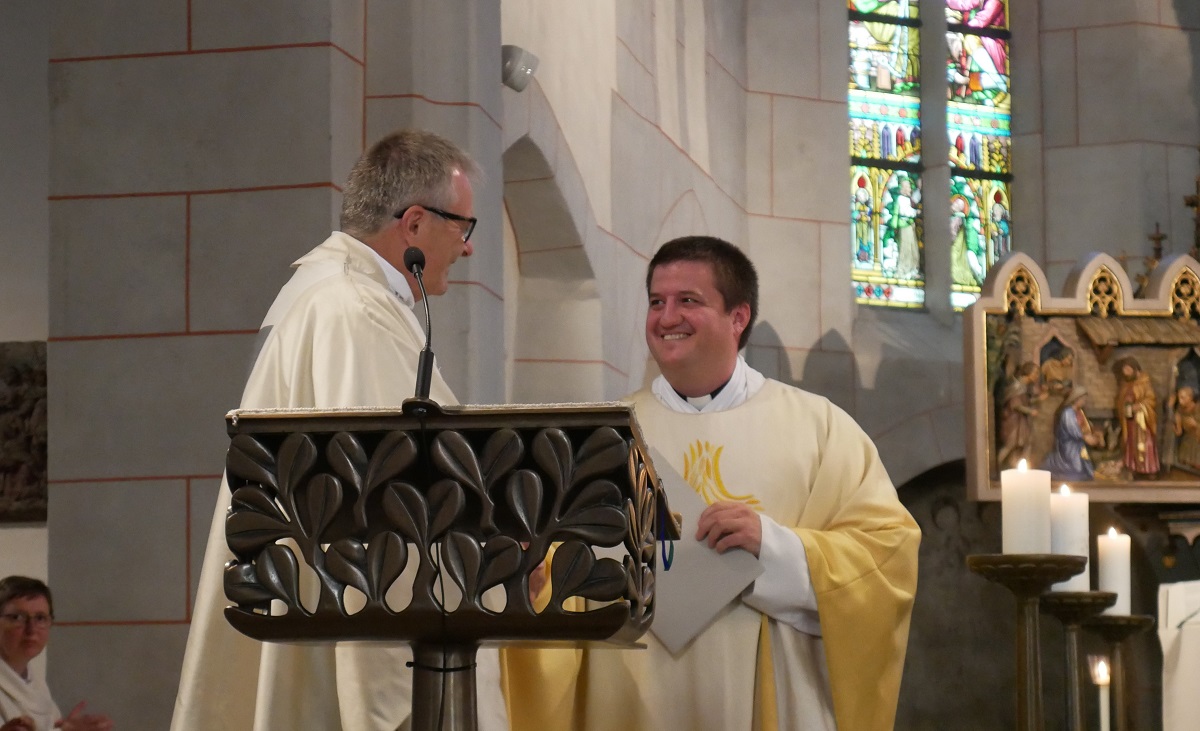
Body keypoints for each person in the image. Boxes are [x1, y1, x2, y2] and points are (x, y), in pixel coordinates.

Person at [506, 236, 920, 730]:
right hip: (630, 701)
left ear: (738, 318)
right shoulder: (602, 438)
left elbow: (888, 556)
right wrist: (537, 580)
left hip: (770, 700)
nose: (666, 317)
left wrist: (777, 548)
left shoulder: (819, 429)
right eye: (656, 302)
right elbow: (569, 568)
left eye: (688, 301)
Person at [171, 129, 509, 731]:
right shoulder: (354, 310)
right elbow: (385, 495)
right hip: (360, 625)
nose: (468, 248)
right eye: (464, 227)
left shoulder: (335, 295)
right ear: (412, 224)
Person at [0, 577, 113, 731]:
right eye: (17, 617)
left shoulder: (36, 684)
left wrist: (66, 728)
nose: (31, 630)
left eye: (40, 618)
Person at [1040, 387, 1102, 482]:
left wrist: (1090, 435)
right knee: (1076, 470)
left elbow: (1084, 427)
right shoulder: (1068, 413)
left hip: (1078, 444)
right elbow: (1072, 429)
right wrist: (1085, 437)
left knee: (1085, 467)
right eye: (1083, 399)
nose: (1084, 401)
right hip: (1068, 444)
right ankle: (1052, 464)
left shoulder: (1078, 412)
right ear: (1076, 399)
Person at [1114, 356, 1160, 478]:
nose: (1126, 372)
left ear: (1135, 369)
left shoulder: (1144, 382)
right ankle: (1133, 467)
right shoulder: (1125, 385)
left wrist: (1140, 406)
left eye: (1129, 369)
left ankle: (1149, 468)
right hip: (1130, 421)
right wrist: (1125, 406)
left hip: (1143, 421)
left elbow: (1151, 400)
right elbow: (1120, 401)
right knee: (1131, 442)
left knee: (1146, 444)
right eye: (1125, 370)